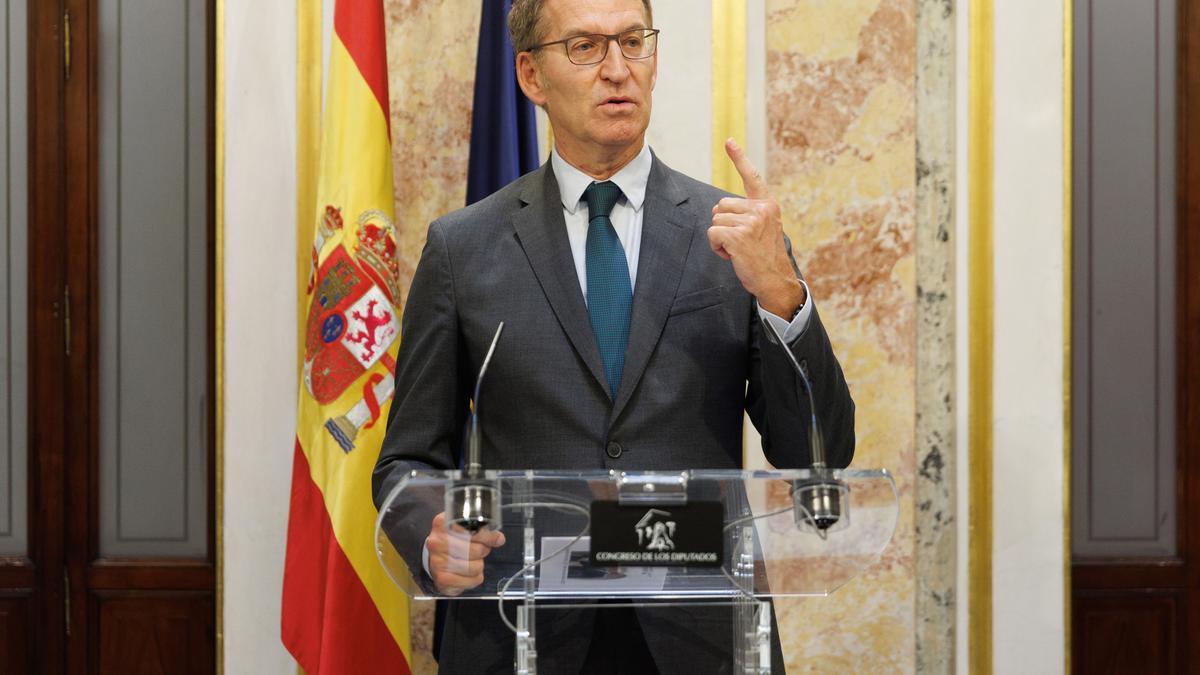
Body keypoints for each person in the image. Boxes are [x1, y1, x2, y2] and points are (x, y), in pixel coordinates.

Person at [373, 0, 855, 671]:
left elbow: (817, 450)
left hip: (702, 635)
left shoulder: (733, 236)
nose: (618, 70)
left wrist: (782, 293)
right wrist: (430, 533)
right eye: (586, 47)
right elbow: (407, 459)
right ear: (531, 76)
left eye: (633, 42)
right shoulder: (463, 248)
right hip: (524, 630)